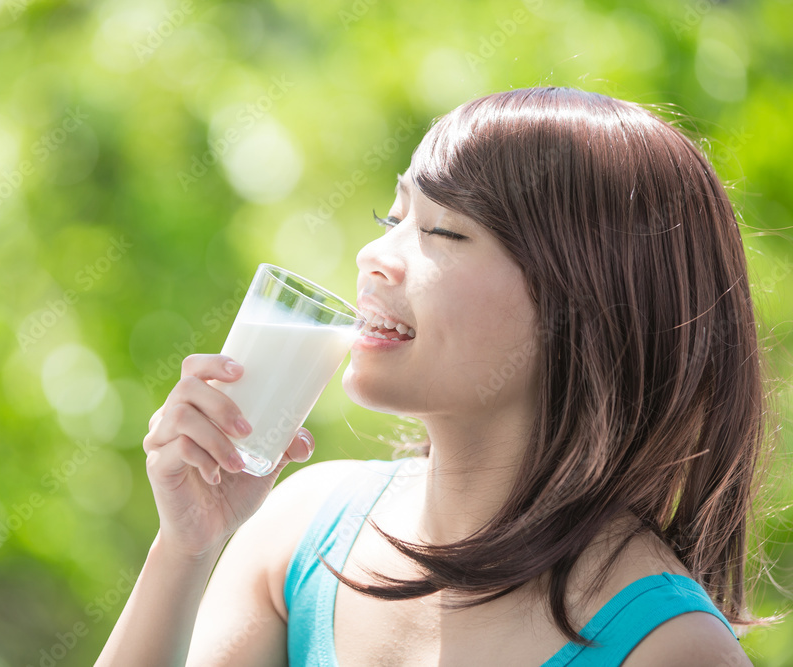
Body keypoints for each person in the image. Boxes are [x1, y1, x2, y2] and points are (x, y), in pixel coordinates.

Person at [96, 87, 777, 666]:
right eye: (392, 218)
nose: (373, 255)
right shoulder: (301, 531)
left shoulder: (670, 647)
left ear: (589, 300)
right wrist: (186, 547)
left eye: (442, 231)